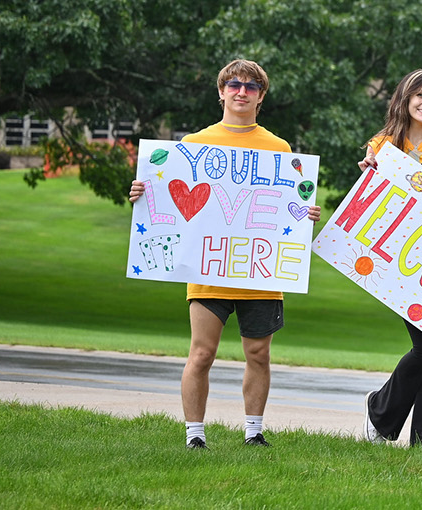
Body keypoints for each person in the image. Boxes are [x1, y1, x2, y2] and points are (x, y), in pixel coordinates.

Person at [128, 59, 321, 448]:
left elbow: (284, 204)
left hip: (259, 269)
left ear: (261, 96)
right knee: (201, 353)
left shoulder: (278, 148)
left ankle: (254, 432)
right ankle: (194, 435)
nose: (241, 92)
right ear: (221, 91)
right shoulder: (193, 145)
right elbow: (167, 195)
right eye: (234, 85)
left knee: (258, 353)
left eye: (251, 87)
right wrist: (142, 194)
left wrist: (304, 212)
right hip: (207, 268)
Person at [354, 69, 422, 446]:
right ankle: (380, 410)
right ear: (404, 98)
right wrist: (369, 171)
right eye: (419, 95)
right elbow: (370, 195)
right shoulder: (384, 144)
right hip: (398, 259)